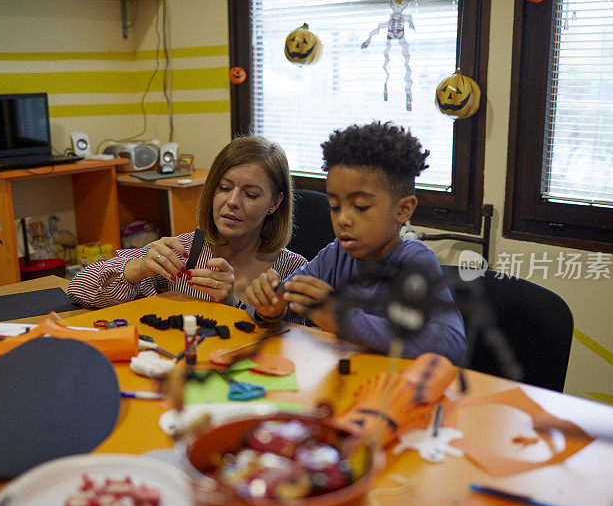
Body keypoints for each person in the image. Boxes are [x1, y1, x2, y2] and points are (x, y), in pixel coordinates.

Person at [244, 122, 466, 363]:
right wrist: (269, 307)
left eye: (360, 207)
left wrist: (345, 320)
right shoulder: (335, 256)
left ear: (403, 209)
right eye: (335, 207)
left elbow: (452, 344)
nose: (343, 219)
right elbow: (272, 304)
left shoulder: (415, 261)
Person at [68, 136, 308, 308]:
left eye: (251, 194)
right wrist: (140, 268)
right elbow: (78, 289)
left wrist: (233, 306)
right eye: (224, 188)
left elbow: (294, 343)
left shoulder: (292, 268)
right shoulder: (182, 251)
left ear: (275, 203)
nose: (232, 202)